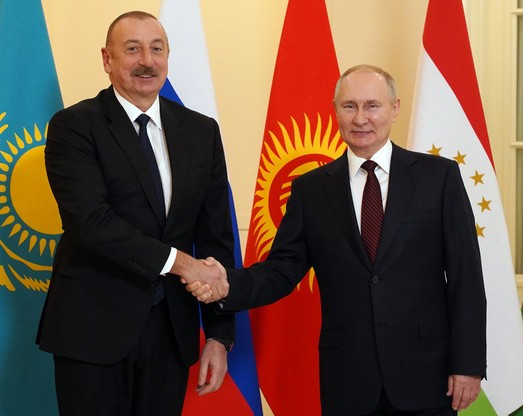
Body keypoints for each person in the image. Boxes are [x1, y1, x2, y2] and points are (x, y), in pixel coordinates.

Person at [188, 65, 487, 415]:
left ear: (394, 108)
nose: (360, 118)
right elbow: (282, 271)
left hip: (426, 374)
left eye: (372, 105)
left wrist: (468, 363)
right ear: (335, 110)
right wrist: (227, 284)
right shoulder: (311, 190)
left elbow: (466, 278)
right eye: (349, 106)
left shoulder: (439, 177)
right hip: (349, 380)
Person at [36, 11, 233, 416]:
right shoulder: (74, 127)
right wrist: (183, 264)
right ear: (107, 60)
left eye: (156, 49)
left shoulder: (202, 132)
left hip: (171, 334)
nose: (147, 60)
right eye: (132, 49)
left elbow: (215, 238)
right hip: (92, 332)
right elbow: (92, 223)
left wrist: (218, 335)